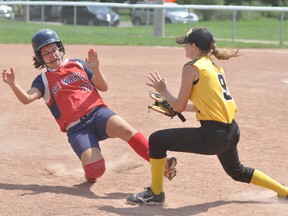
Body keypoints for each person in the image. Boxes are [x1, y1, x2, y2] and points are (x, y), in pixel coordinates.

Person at [126, 27, 288, 205]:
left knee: (157, 140)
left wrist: (163, 91)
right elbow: (205, 105)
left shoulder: (191, 67)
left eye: (185, 44)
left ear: (194, 46)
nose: (184, 48)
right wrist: (175, 106)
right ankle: (285, 191)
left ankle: (156, 193)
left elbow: (178, 105)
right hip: (231, 130)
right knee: (237, 171)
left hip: (213, 135)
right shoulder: (214, 67)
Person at [1, 29, 177, 183]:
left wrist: (96, 68)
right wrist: (13, 84)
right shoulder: (43, 80)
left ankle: (161, 164)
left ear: (60, 48)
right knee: (96, 169)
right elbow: (26, 98)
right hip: (77, 128)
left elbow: (104, 87)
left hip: (98, 113)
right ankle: (89, 171)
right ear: (40, 58)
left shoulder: (78, 64)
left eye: (54, 49)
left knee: (127, 130)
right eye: (46, 53)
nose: (52, 55)